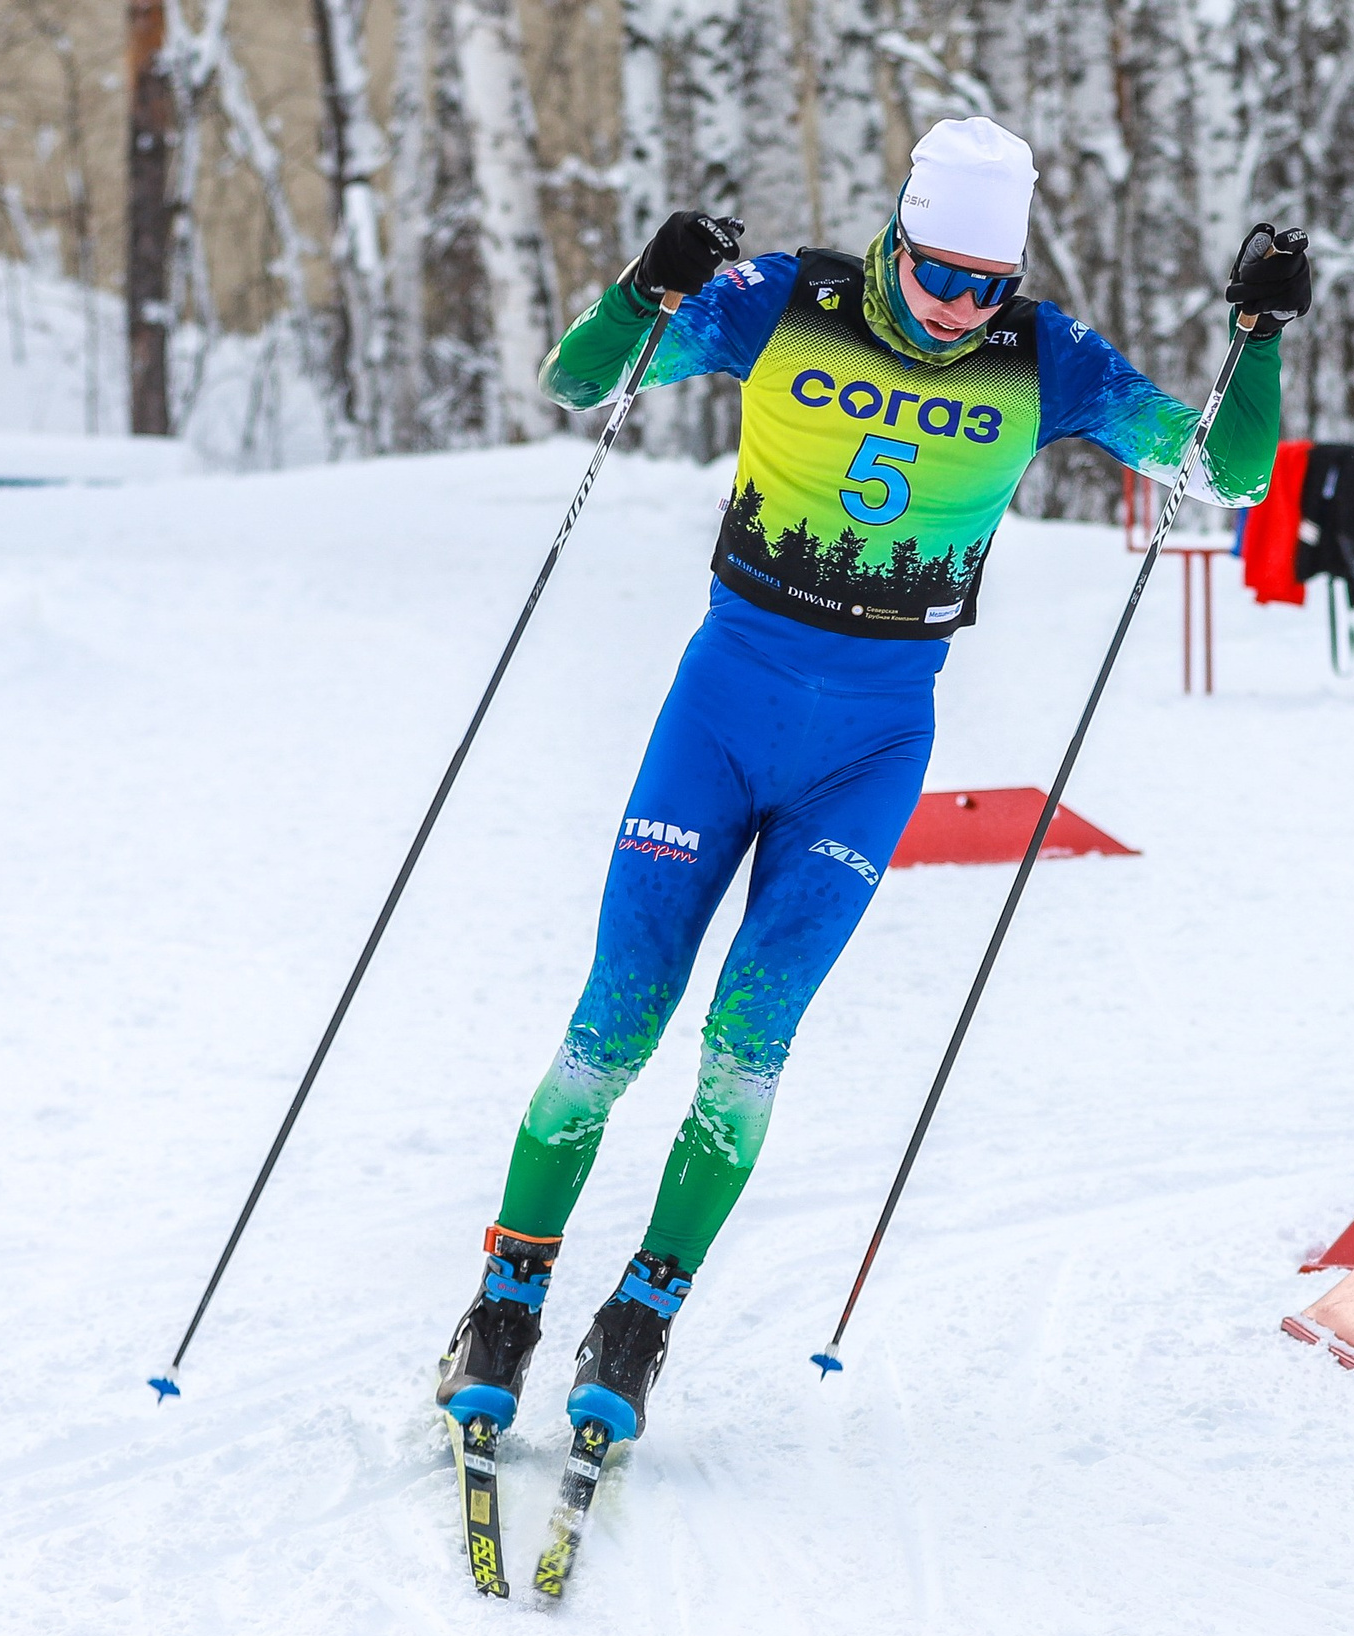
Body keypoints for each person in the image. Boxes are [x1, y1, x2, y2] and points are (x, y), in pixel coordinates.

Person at [437, 116, 1309, 1445]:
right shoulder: (789, 299)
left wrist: (1257, 344)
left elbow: (1226, 474)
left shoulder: (1045, 357)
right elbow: (580, 379)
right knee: (613, 1026)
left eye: (987, 286)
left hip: (873, 747)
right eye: (939, 274)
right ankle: (503, 1305)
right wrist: (648, 286)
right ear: (897, 240)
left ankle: (638, 1326)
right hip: (720, 712)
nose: (961, 306)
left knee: (747, 1049)